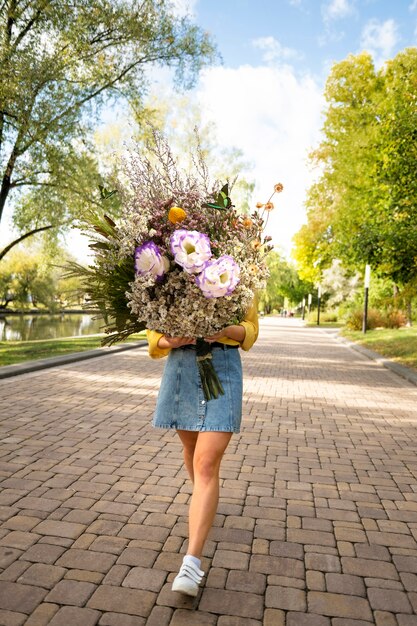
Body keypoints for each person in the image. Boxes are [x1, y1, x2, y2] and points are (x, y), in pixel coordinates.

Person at [146, 299, 259, 597]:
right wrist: (166, 339)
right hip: (181, 365)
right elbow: (153, 330)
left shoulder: (239, 271)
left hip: (223, 366)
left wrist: (223, 328)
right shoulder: (170, 267)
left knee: (206, 463)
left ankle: (191, 563)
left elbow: (250, 329)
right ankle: (204, 501)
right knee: (193, 451)